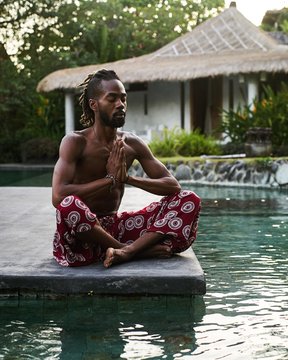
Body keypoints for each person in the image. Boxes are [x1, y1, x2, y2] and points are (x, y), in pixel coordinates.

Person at [52, 69, 201, 268]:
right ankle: (131, 250)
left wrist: (128, 179)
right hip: (82, 236)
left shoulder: (132, 143)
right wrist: (109, 179)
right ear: (93, 105)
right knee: (68, 204)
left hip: (116, 227)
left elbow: (173, 186)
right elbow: (58, 196)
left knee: (189, 199)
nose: (120, 104)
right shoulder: (75, 142)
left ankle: (126, 252)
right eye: (112, 99)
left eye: (123, 99)